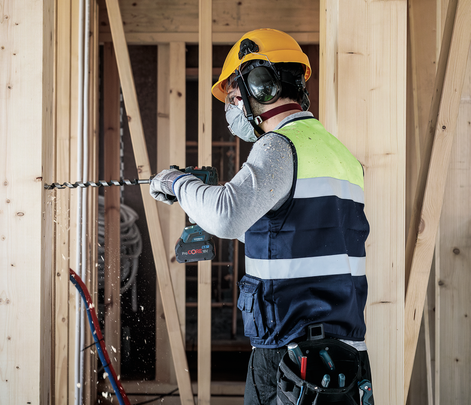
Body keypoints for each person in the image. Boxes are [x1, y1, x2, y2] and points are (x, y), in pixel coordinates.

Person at [149, 29, 373, 405]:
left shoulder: (279, 146)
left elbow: (225, 216)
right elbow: (293, 234)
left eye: (236, 96)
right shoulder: (340, 154)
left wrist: (178, 183)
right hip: (346, 357)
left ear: (262, 85)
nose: (234, 108)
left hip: (290, 355)